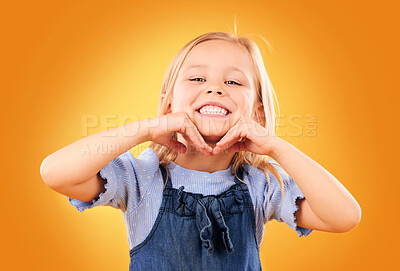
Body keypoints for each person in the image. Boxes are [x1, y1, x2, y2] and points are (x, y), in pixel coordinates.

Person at [40, 31, 361, 271]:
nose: (215, 88)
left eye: (234, 82)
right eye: (197, 78)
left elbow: (345, 216)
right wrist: (147, 129)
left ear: (258, 115)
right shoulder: (142, 177)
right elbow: (54, 172)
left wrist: (275, 147)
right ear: (168, 105)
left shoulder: (261, 185)